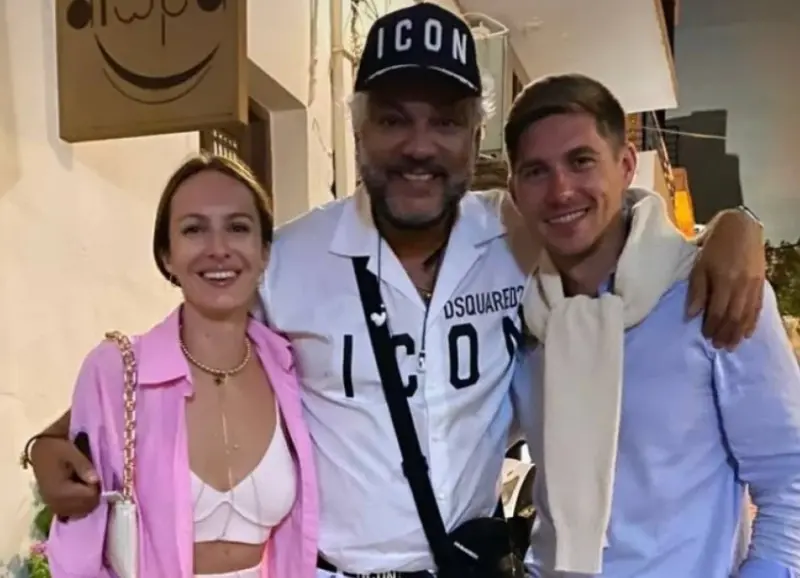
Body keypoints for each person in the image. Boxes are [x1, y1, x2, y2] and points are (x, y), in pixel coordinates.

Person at [23, 4, 766, 577]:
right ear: (359, 131)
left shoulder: (517, 238)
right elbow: (181, 355)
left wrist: (734, 227)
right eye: (392, 120)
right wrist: (55, 437)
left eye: (444, 122)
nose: (418, 146)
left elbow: (608, 220)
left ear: (473, 137)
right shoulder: (292, 261)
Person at [508, 73, 800, 578]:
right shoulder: (521, 315)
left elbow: (789, 477)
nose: (561, 190)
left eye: (581, 161)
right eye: (536, 171)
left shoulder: (710, 292)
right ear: (514, 190)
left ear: (625, 165)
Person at [42, 155, 318, 577]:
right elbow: (80, 545)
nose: (218, 248)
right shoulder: (116, 370)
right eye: (194, 229)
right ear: (167, 256)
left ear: (264, 252)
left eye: (238, 227)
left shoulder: (290, 365)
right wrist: (41, 446)